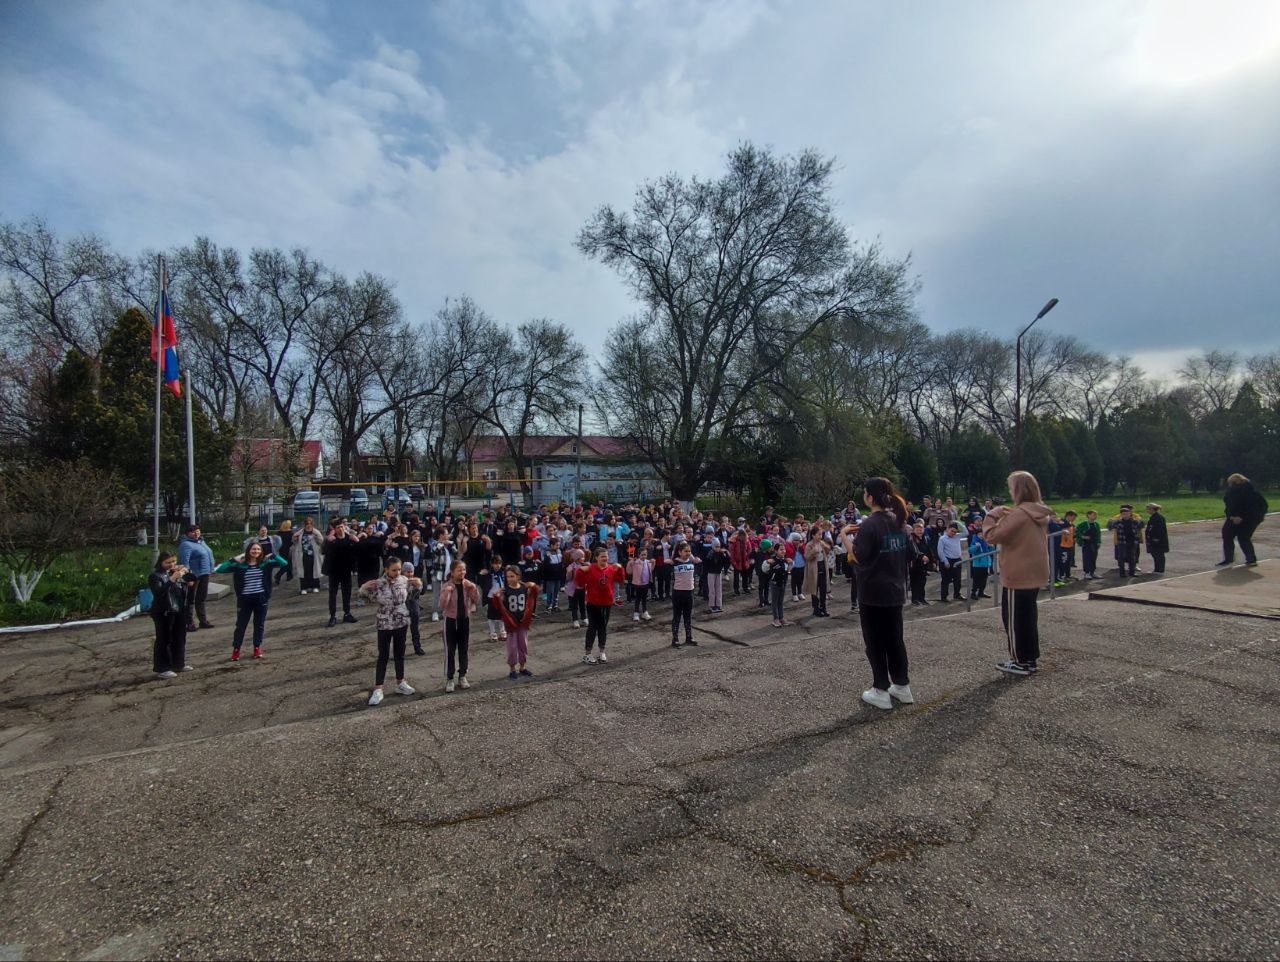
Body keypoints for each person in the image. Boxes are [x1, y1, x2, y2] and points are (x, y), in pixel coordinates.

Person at [982, 471, 1051, 676]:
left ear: (1019, 490)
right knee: (1028, 617)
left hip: (1018, 574)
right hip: (1035, 572)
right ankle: (1030, 658)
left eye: (1012, 488)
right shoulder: (1039, 511)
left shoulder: (1020, 513)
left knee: (1013, 619)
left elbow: (992, 536)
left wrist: (992, 515)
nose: (1010, 492)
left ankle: (1019, 660)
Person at [852, 477, 912, 710]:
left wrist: (847, 537)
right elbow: (911, 554)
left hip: (873, 592)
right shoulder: (899, 520)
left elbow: (859, 557)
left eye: (865, 492)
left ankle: (880, 689)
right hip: (896, 590)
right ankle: (902, 685)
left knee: (875, 642)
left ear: (869, 496)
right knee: (895, 639)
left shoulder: (870, 524)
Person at [360, 556, 422, 705]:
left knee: (400, 654)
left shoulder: (404, 581)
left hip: (401, 621)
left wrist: (419, 585)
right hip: (385, 623)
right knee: (383, 655)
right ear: (386, 569)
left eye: (399, 569)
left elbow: (413, 597)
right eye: (394, 570)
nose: (397, 572)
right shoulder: (378, 583)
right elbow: (366, 598)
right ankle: (378, 688)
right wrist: (363, 589)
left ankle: (401, 682)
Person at [215, 542, 288, 662]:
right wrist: (233, 559)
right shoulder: (240, 565)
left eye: (258, 549)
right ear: (248, 550)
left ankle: (257, 647)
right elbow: (220, 570)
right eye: (253, 549)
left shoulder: (265, 564)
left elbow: (284, 564)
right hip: (244, 600)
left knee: (259, 625)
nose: (256, 551)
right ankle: (236, 649)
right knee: (241, 626)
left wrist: (273, 556)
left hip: (261, 598)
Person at [576, 546, 625, 663]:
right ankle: (587, 654)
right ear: (596, 557)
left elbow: (621, 579)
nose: (605, 558)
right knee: (592, 627)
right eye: (602, 556)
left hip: (606, 603)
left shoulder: (611, 568)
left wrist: (620, 568)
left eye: (606, 556)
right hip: (593, 603)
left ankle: (602, 652)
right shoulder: (590, 569)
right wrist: (580, 571)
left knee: (603, 628)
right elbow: (579, 582)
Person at [148, 552, 193, 678]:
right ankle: (162, 667)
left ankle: (178, 663)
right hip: (164, 611)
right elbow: (159, 592)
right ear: (161, 563)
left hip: (179, 609)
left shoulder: (175, 572)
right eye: (168, 562)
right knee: (164, 639)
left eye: (173, 561)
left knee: (179, 637)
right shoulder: (155, 576)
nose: (171, 564)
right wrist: (172, 579)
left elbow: (191, 581)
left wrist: (187, 574)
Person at [437, 560, 480, 693]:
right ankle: (450, 679)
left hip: (464, 620)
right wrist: (447, 592)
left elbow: (476, 600)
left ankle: (462, 676)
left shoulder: (467, 584)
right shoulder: (447, 585)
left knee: (463, 649)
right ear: (452, 572)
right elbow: (442, 605)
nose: (462, 572)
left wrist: (473, 588)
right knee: (450, 650)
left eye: (464, 570)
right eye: (459, 570)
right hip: (450, 621)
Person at [495, 565, 538, 680]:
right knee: (512, 647)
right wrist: (497, 595)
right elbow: (498, 605)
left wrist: (533, 585)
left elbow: (535, 590)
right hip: (511, 623)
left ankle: (522, 667)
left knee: (523, 645)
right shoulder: (505, 590)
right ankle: (512, 668)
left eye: (512, 576)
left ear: (518, 576)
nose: (509, 579)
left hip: (523, 621)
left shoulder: (524, 587)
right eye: (507, 577)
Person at [1219, 473, 1268, 567]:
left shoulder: (1234, 490)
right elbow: (1264, 505)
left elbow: (1232, 504)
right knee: (1244, 537)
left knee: (1227, 534)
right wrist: (1259, 516)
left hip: (1237, 516)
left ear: (1234, 482)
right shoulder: (1253, 491)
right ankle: (1251, 559)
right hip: (1253, 519)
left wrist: (1233, 516)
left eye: (1230, 482)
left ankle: (1228, 559)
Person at [176, 523, 216, 631]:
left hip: (205, 573)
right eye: (193, 532)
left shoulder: (201, 541)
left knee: (201, 598)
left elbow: (209, 555)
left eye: (197, 531)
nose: (196, 533)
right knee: (190, 599)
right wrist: (188, 577)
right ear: (187, 533)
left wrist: (211, 569)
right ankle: (189, 623)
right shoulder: (186, 545)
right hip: (194, 575)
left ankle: (203, 621)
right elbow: (184, 561)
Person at [325, 521, 360, 626]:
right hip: (334, 571)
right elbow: (324, 551)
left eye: (342, 526)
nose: (340, 529)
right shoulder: (332, 540)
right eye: (338, 527)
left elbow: (357, 552)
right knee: (333, 594)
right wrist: (328, 540)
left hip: (346, 571)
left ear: (344, 527)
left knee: (347, 593)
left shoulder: (350, 538)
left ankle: (347, 614)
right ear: (334, 529)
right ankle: (332, 616)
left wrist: (357, 541)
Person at [669, 540, 700, 646]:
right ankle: (675, 639)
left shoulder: (691, 561)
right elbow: (666, 561)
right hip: (678, 593)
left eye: (689, 551)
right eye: (685, 551)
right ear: (680, 552)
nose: (688, 553)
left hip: (689, 592)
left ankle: (689, 637)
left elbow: (697, 560)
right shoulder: (675, 562)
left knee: (688, 616)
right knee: (677, 616)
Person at [761, 541, 792, 628]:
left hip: (783, 583)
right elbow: (764, 569)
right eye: (781, 550)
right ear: (776, 551)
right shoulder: (773, 560)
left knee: (781, 602)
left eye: (784, 549)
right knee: (775, 602)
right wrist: (767, 562)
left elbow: (788, 571)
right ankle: (775, 619)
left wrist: (790, 564)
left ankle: (781, 618)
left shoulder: (785, 560)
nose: (783, 551)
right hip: (774, 583)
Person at [1107, 505, 1144, 578]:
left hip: (1132, 542)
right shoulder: (1117, 522)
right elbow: (1109, 527)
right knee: (1121, 557)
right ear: (1121, 515)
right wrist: (1112, 520)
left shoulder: (1134, 521)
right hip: (1122, 542)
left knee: (1132, 557)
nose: (1126, 515)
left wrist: (1138, 519)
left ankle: (1132, 572)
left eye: (1127, 513)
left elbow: (1142, 524)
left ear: (1130, 513)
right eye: (1124, 514)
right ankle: (1122, 573)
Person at [291, 516, 324, 594]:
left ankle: (315, 586)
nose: (308, 525)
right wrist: (295, 538)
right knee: (303, 572)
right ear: (304, 524)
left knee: (314, 571)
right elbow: (294, 541)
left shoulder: (316, 532)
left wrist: (316, 536)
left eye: (310, 524)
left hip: (314, 555)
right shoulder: (300, 532)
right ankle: (304, 588)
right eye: (307, 524)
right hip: (303, 555)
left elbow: (321, 541)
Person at [480, 554, 508, 643]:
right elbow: (481, 583)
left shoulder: (505, 572)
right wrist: (481, 574)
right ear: (492, 564)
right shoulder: (488, 573)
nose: (497, 565)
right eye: (495, 563)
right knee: (491, 616)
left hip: (502, 596)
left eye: (499, 563)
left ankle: (502, 632)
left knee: (502, 615)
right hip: (492, 596)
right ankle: (493, 633)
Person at [803, 528, 830, 617]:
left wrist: (827, 548)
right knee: (814, 590)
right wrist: (813, 552)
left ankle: (823, 608)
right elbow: (807, 557)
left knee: (823, 590)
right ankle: (816, 609)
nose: (820, 536)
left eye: (821, 534)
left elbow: (827, 552)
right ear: (813, 535)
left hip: (823, 567)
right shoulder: (809, 545)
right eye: (818, 534)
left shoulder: (821, 543)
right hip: (814, 570)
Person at [935, 522, 965, 602]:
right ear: (947, 529)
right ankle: (944, 597)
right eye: (952, 531)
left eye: (955, 532)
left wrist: (959, 523)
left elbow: (966, 533)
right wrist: (945, 561)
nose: (953, 533)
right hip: (947, 560)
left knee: (957, 579)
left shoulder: (957, 536)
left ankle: (957, 594)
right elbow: (940, 551)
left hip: (957, 560)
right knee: (946, 580)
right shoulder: (942, 539)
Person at [402, 562, 425, 655]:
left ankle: (417, 647)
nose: (410, 574)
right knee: (402, 631)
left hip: (414, 608)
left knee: (415, 630)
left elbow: (421, 593)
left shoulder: (416, 581)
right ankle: (401, 649)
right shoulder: (400, 582)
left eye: (411, 572)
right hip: (403, 609)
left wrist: (418, 586)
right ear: (403, 572)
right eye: (407, 572)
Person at [627, 546, 654, 622]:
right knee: (638, 598)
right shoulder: (635, 562)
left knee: (644, 598)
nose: (643, 556)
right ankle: (636, 613)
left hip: (646, 583)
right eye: (642, 555)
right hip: (638, 584)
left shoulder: (648, 562)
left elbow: (650, 570)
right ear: (638, 555)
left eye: (645, 554)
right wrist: (630, 563)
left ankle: (645, 612)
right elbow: (629, 571)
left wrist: (653, 562)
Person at [907, 522, 931, 606]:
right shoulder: (911, 538)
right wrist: (922, 556)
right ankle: (915, 599)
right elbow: (913, 550)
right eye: (917, 530)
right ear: (914, 530)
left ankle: (922, 598)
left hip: (924, 564)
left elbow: (929, 550)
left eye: (921, 530)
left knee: (922, 582)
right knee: (915, 583)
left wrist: (933, 562)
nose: (919, 531)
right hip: (915, 564)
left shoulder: (925, 538)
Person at [968, 527, 993, 600]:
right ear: (976, 535)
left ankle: (981, 592)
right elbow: (970, 551)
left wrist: (991, 546)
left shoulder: (985, 541)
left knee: (984, 579)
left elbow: (991, 551)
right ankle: (973, 593)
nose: (981, 535)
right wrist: (976, 546)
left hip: (985, 564)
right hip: (977, 565)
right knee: (976, 580)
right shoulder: (974, 541)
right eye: (979, 534)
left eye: (982, 534)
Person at [1075, 510, 1102, 580]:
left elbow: (1098, 534)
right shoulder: (1083, 524)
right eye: (1094, 514)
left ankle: (1092, 572)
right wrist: (1082, 536)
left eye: (1096, 515)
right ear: (1088, 515)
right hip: (1086, 544)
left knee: (1093, 558)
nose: (1095, 516)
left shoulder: (1096, 524)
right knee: (1087, 558)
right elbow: (1076, 530)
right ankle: (1087, 573)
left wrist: (1099, 542)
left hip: (1094, 544)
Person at [274, 519, 295, 585]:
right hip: (288, 550)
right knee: (286, 564)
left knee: (288, 564)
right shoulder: (290, 533)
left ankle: (289, 576)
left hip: (281, 550)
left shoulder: (279, 533)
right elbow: (292, 541)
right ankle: (278, 575)